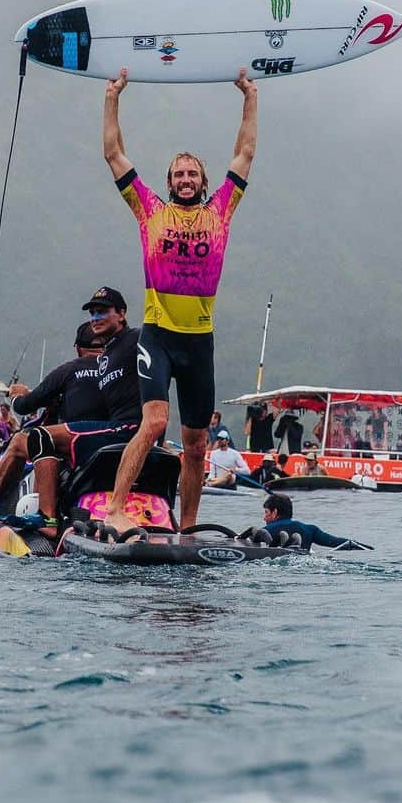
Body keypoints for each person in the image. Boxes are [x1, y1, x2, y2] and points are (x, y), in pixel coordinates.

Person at [102, 65, 257, 533]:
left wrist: (249, 95)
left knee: (194, 445)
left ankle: (187, 528)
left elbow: (245, 151)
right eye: (178, 174)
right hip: (159, 335)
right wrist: (113, 96)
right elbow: (113, 153)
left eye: (192, 173)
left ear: (203, 180)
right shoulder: (149, 210)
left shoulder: (222, 211)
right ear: (169, 182)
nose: (185, 179)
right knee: (153, 424)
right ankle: (114, 510)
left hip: (199, 343)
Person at [0, 287, 143, 535]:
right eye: (93, 314)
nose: (96, 318)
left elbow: (25, 406)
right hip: (114, 433)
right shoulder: (110, 357)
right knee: (45, 438)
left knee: (36, 437)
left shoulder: (127, 343)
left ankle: (36, 517)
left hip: (121, 432)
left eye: (102, 312)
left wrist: (18, 395)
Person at [8, 321, 107, 426]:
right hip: (115, 436)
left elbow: (23, 407)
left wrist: (16, 396)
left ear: (78, 349)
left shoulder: (66, 371)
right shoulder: (121, 369)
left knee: (19, 439)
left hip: (75, 437)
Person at [261, 494, 368, 550]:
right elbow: (338, 542)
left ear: (274, 512)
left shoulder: (266, 531)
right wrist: (366, 547)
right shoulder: (310, 529)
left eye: (266, 512)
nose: (264, 518)